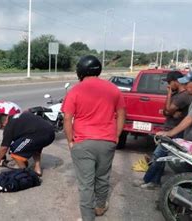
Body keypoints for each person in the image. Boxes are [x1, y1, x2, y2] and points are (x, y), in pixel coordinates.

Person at [61, 55, 126, 221]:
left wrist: (70, 141)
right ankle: (99, 207)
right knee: (103, 177)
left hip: (82, 142)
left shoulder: (75, 90)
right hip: (107, 141)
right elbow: (121, 114)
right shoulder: (113, 89)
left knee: (85, 184)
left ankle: (87, 217)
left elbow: (67, 118)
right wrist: (117, 135)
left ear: (81, 71)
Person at [134, 71, 192, 189]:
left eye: (170, 83)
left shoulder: (183, 96)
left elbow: (169, 110)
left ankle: (149, 180)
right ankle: (154, 181)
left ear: (176, 81)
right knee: (160, 157)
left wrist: (169, 94)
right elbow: (166, 111)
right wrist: (169, 108)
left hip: (174, 130)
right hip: (170, 128)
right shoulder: (178, 95)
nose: (168, 85)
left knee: (158, 155)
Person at [0, 111, 55, 176]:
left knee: (15, 152)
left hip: (37, 136)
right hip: (51, 133)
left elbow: (4, 148)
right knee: (34, 146)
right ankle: (37, 169)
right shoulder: (20, 115)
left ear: (1, 124)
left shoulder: (8, 127)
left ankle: (26, 175)